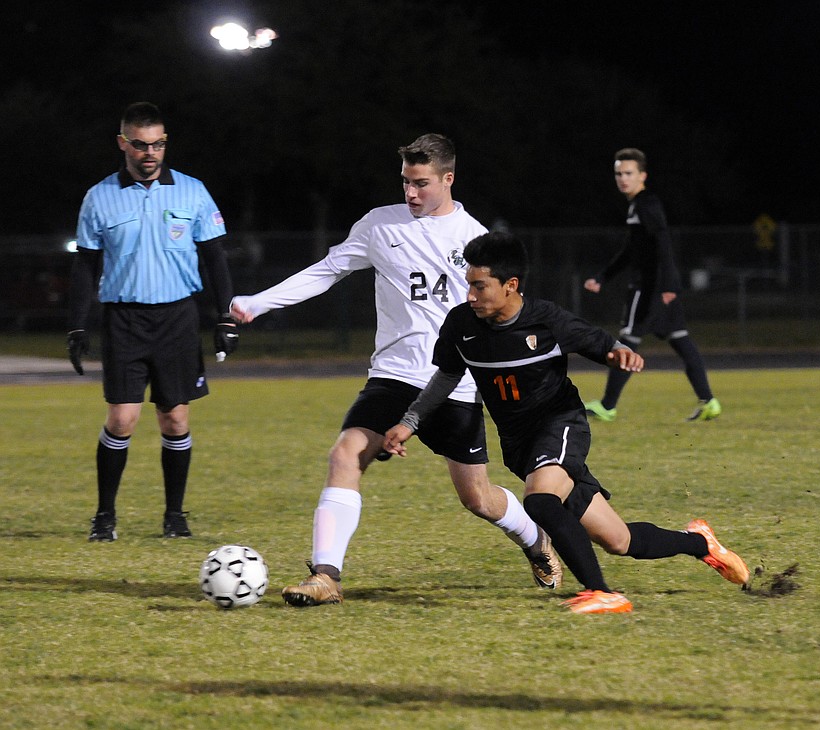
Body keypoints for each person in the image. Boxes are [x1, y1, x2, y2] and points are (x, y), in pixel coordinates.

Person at [230, 133, 562, 606]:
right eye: (406, 181)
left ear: (448, 178)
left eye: (422, 183)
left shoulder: (475, 239)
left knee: (477, 497)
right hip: (393, 375)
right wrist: (258, 304)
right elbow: (327, 271)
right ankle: (326, 577)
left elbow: (502, 316)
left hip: (453, 383)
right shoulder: (379, 225)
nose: (411, 193)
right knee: (345, 454)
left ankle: (536, 542)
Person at [384, 232, 749, 614]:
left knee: (540, 503)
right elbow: (446, 376)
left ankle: (603, 592)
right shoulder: (462, 324)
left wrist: (620, 354)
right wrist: (409, 422)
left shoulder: (547, 321)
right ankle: (700, 543)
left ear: (510, 286)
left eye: (479, 286)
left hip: (559, 425)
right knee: (618, 540)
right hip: (521, 445)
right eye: (469, 285)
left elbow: (601, 343)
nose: (471, 295)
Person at [68, 101, 239, 542]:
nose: (150, 153)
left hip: (178, 318)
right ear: (123, 143)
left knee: (175, 421)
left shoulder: (193, 192)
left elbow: (215, 258)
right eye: (141, 145)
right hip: (124, 319)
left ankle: (175, 517)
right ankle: (104, 517)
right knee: (122, 420)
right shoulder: (99, 196)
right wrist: (77, 325)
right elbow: (85, 265)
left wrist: (224, 317)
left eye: (158, 144)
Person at [583, 147, 721, 422]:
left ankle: (608, 406)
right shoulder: (638, 205)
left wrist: (669, 285)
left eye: (629, 173)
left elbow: (662, 241)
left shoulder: (647, 204)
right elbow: (631, 250)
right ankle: (709, 401)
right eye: (619, 173)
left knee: (627, 341)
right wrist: (603, 276)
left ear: (642, 175)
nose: (623, 178)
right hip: (659, 286)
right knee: (681, 340)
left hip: (649, 287)